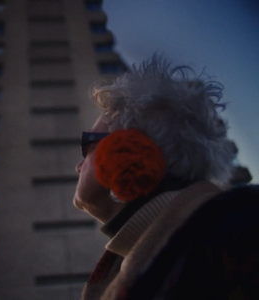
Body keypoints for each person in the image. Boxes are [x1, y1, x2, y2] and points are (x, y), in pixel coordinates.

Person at [74, 56, 259, 300]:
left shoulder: (240, 237)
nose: (78, 166)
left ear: (127, 152)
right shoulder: (123, 269)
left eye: (87, 145)